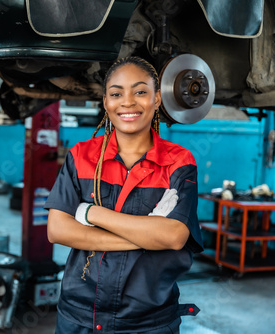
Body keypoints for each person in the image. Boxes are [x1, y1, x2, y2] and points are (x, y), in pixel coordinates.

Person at [45, 56, 204, 333]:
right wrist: (146, 237)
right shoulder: (81, 156)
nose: (128, 102)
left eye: (140, 92)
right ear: (106, 102)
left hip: (146, 321)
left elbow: (174, 236)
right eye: (116, 93)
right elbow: (58, 230)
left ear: (156, 100)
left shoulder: (178, 161)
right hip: (79, 316)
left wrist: (90, 213)